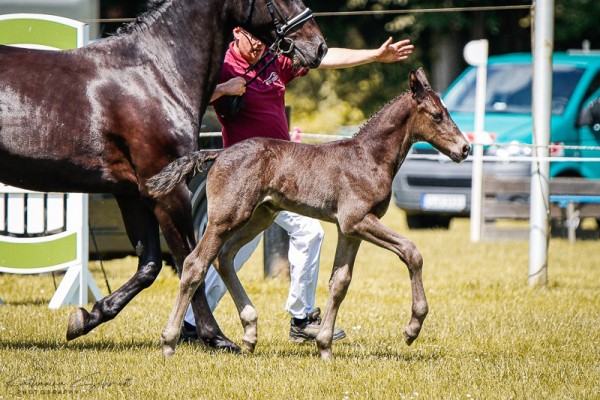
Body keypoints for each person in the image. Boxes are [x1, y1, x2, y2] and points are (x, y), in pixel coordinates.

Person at [182, 27, 414, 343]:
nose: (260, 44)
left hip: (291, 176)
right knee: (227, 252)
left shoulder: (273, 61)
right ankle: (191, 325)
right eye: (253, 38)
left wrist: (374, 55)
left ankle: (301, 319)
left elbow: (323, 57)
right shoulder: (221, 65)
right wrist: (223, 89)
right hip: (244, 177)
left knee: (309, 233)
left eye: (264, 38)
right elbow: (187, 99)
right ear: (235, 32)